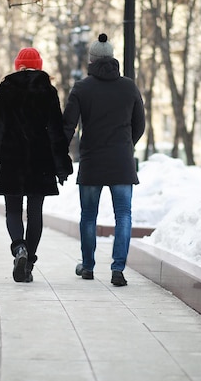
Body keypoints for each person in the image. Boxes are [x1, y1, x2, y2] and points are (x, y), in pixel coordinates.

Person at [0, 47, 73, 283]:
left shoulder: (6, 88)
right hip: (40, 161)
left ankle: (18, 248)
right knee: (35, 213)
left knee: (12, 209)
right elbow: (55, 130)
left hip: (12, 159)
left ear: (17, 65)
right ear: (39, 65)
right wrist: (61, 165)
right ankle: (29, 262)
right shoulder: (47, 91)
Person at [63, 33, 145, 287]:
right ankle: (117, 269)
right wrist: (126, 145)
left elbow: (68, 125)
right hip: (121, 161)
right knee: (124, 214)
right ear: (112, 58)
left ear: (91, 60)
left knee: (88, 215)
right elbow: (139, 125)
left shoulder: (82, 88)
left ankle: (87, 266)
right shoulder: (129, 86)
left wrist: (59, 152)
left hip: (92, 161)